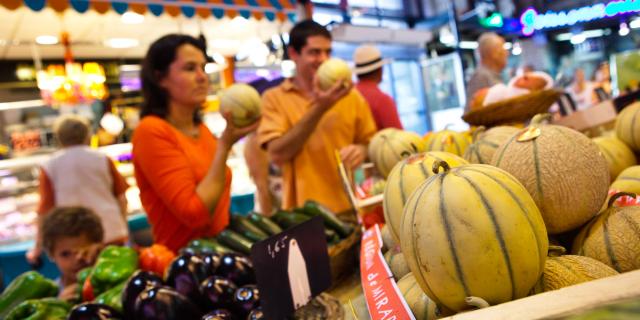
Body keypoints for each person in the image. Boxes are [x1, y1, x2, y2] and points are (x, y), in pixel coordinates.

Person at [132, 34, 257, 252]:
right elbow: (195, 214)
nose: (202, 77)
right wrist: (225, 146)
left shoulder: (202, 130)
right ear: (160, 78)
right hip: (185, 265)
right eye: (190, 68)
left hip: (220, 253)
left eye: (203, 67)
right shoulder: (151, 131)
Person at [257, 20, 377, 214]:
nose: (323, 59)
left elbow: (372, 144)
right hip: (303, 216)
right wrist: (320, 108)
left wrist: (361, 150)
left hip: (350, 207)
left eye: (328, 52)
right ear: (294, 54)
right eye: (314, 52)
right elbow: (277, 155)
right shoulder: (274, 99)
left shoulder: (350, 95)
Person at [27, 114, 129, 264]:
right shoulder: (102, 158)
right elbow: (121, 198)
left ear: (59, 137)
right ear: (87, 135)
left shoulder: (50, 165)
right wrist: (122, 224)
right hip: (112, 232)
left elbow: (44, 211)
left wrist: (37, 247)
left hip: (74, 243)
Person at [40, 206, 104, 300]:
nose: (76, 259)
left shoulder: (109, 282)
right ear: (51, 255)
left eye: (84, 251)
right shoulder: (51, 296)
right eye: (65, 254)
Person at [353, 44, 403, 130]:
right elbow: (399, 138)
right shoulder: (382, 100)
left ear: (358, 73)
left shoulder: (348, 96)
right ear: (380, 70)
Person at [465, 32, 508, 112]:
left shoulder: (491, 75)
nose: (507, 53)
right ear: (494, 53)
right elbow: (471, 114)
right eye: (503, 49)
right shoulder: (481, 77)